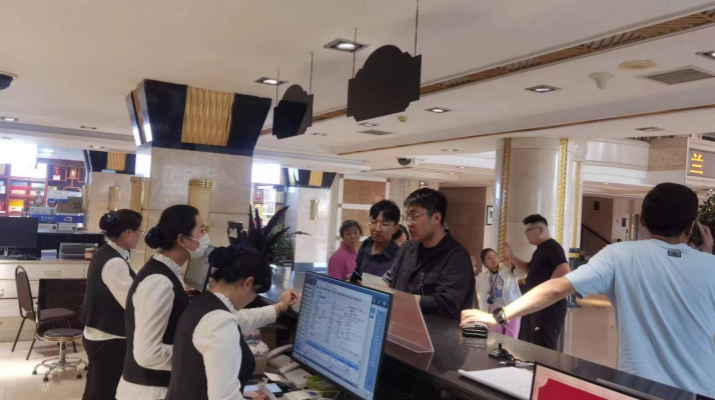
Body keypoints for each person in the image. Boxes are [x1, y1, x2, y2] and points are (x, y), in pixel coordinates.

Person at [461, 183, 715, 396]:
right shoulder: (709, 265)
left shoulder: (621, 255)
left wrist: (498, 316)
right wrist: (704, 258)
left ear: (644, 220)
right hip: (703, 389)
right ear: (692, 225)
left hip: (641, 389)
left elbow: (557, 288)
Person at [166, 206, 299, 400]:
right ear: (248, 282)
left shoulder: (203, 305)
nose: (252, 299)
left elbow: (239, 318)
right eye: (255, 293)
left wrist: (280, 307)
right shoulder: (219, 322)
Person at [116, 205, 208, 400]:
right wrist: (205, 353)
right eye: (202, 230)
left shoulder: (167, 272)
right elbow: (148, 353)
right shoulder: (159, 282)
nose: (205, 237)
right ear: (182, 240)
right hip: (150, 391)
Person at [383, 188, 474, 320]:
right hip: (400, 324)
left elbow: (445, 304)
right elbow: (390, 279)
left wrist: (401, 298)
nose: (409, 223)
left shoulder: (456, 256)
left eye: (414, 216)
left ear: (436, 218)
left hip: (436, 331)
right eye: (407, 217)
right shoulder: (408, 248)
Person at [81, 210, 143, 400]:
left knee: (97, 388)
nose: (140, 235)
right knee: (103, 391)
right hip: (108, 337)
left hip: (100, 332)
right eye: (139, 231)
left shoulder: (110, 253)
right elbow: (131, 302)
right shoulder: (114, 261)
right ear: (127, 232)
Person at [501, 214, 570, 350]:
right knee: (532, 343)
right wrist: (511, 257)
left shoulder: (552, 247)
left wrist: (546, 291)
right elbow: (529, 269)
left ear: (540, 230)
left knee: (544, 346)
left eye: (528, 230)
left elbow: (564, 268)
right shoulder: (541, 250)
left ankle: (544, 365)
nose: (526, 234)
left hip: (548, 306)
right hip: (538, 304)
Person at [475, 248, 525, 338]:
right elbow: (472, 282)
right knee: (494, 336)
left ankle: (509, 348)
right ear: (485, 263)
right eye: (489, 258)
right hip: (495, 308)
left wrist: (513, 266)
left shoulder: (507, 269)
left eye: (494, 256)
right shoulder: (484, 276)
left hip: (511, 307)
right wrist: (471, 267)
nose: (493, 259)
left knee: (511, 336)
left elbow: (523, 273)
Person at [355, 200, 402, 278]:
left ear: (395, 229)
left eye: (384, 224)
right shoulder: (366, 245)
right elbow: (357, 272)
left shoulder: (399, 257)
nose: (377, 229)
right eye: (373, 222)